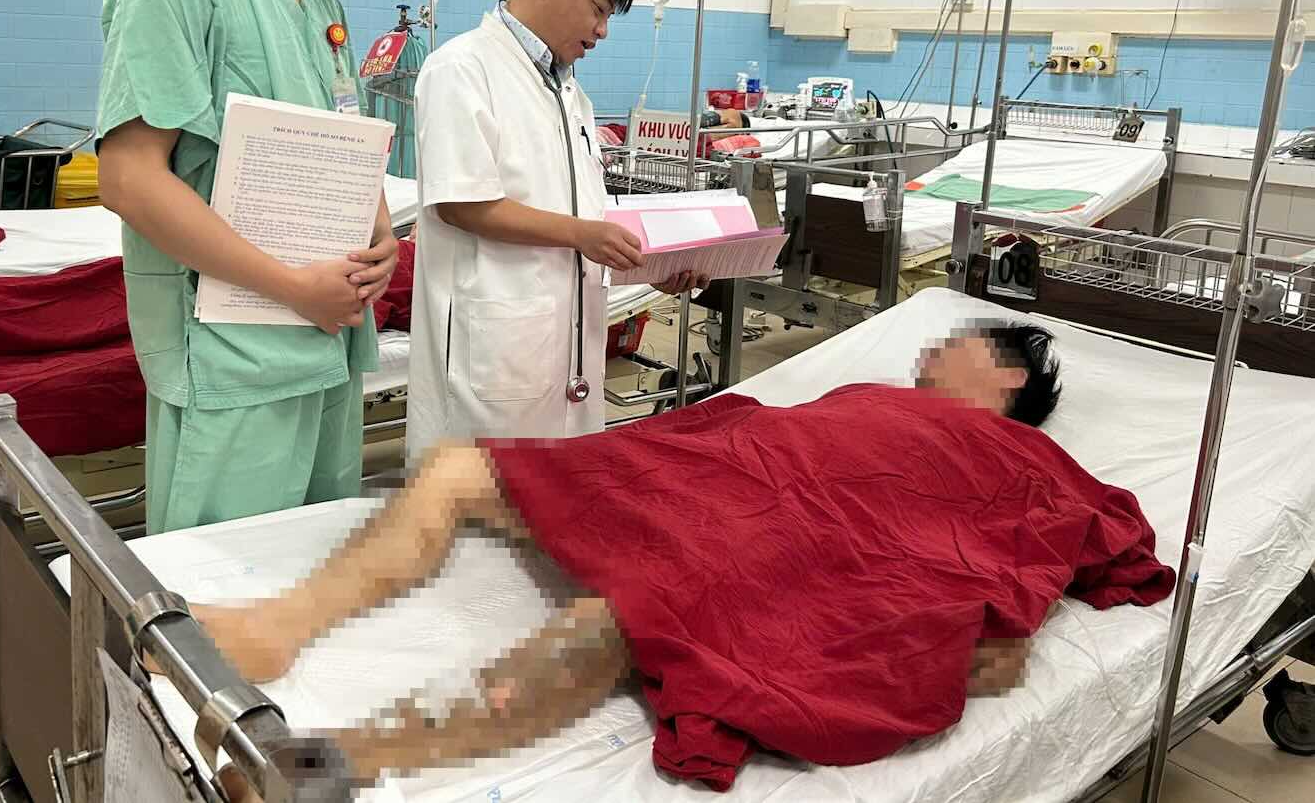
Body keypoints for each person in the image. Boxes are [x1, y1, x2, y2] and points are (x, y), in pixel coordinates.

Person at [195, 323, 1170, 796]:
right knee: (459, 467)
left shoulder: (1026, 454)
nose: (921, 358)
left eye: (947, 347)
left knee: (642, 613)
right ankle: (272, 629)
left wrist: (995, 625)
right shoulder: (871, 396)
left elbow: (1079, 545)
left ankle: (332, 763)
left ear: (1005, 373)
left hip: (809, 529)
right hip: (718, 466)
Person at [95, 0, 399, 534]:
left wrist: (378, 237)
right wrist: (292, 286)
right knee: (220, 612)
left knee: (310, 583)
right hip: (233, 358)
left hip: (324, 344)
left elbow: (338, 132)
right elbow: (129, 179)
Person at [407, 0, 705, 461]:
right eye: (597, 8)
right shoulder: (461, 68)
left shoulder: (569, 93)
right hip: (493, 359)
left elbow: (580, 216)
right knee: (477, 529)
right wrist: (582, 235)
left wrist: (652, 268)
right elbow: (459, 202)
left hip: (564, 355)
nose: (602, 31)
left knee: (556, 519)